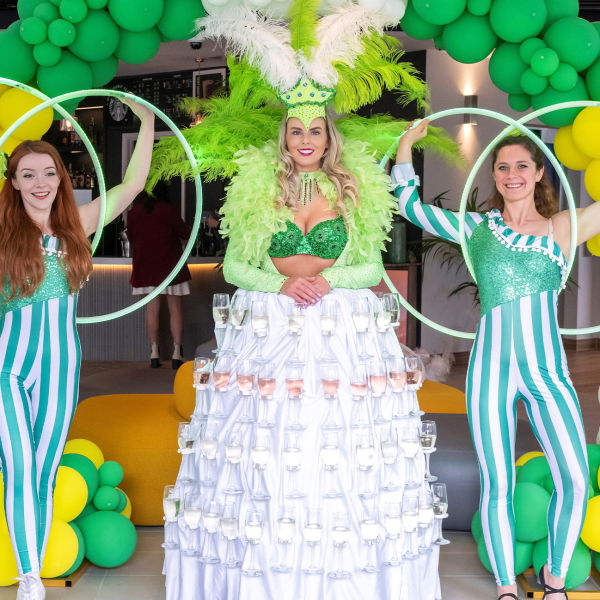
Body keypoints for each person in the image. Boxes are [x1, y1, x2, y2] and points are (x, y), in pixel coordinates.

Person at [164, 107, 441, 600]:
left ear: (328, 136)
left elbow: (371, 266)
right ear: (285, 136)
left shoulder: (353, 187)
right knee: (265, 445)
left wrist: (326, 280)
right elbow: (234, 267)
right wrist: (282, 283)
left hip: (341, 330)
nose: (306, 139)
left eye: (315, 130)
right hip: (270, 328)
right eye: (297, 130)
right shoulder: (258, 187)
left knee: (337, 443)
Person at [395, 120, 594, 600]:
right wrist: (405, 147)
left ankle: (555, 577)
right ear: (494, 177)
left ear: (540, 172)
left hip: (549, 371)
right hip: (491, 372)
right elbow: (410, 207)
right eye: (502, 167)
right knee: (498, 479)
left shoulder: (564, 227)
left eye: (521, 165)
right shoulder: (477, 227)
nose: (511, 174)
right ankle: (506, 585)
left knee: (574, 475)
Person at [0, 98, 154, 600]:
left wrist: (148, 121)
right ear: (15, 182)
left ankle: (31, 567)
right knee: (20, 467)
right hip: (7, 367)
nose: (40, 182)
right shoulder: (2, 232)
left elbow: (131, 185)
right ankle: (29, 578)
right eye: (28, 174)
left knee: (42, 474)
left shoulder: (78, 225)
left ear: (60, 179)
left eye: (49, 172)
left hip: (62, 368)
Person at [126, 189, 191, 369]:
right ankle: (177, 353)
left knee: (152, 309)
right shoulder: (168, 209)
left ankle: (154, 352)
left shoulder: (134, 212)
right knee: (175, 309)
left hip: (146, 266)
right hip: (170, 265)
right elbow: (185, 233)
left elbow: (131, 237)